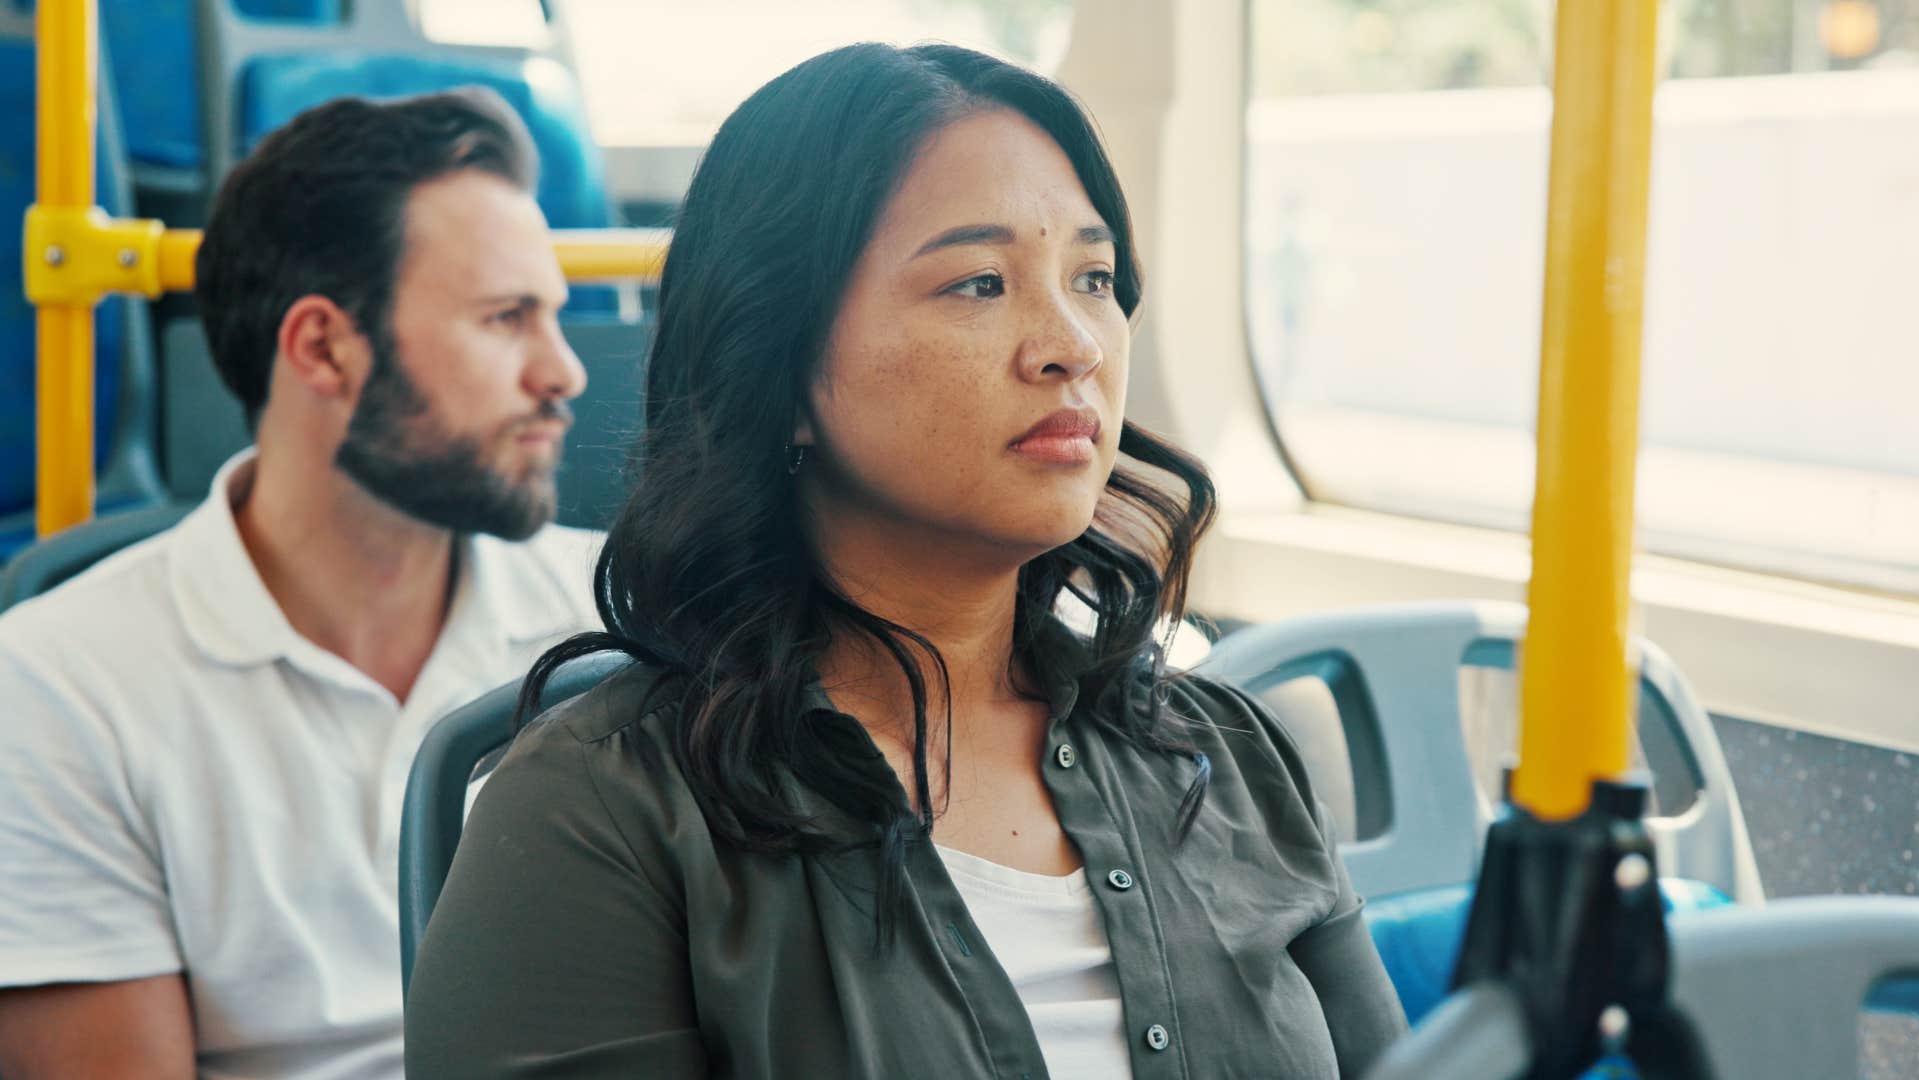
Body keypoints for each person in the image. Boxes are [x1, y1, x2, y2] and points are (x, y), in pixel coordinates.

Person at [406, 44, 1406, 1078]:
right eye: (980, 283)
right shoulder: (600, 813)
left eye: (1094, 277)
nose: (1075, 344)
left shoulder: (1230, 755)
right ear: (780, 370)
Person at [0, 87, 597, 1079]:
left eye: (555, 317)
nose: (564, 371)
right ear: (323, 347)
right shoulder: (55, 691)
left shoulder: (619, 614)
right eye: (506, 319)